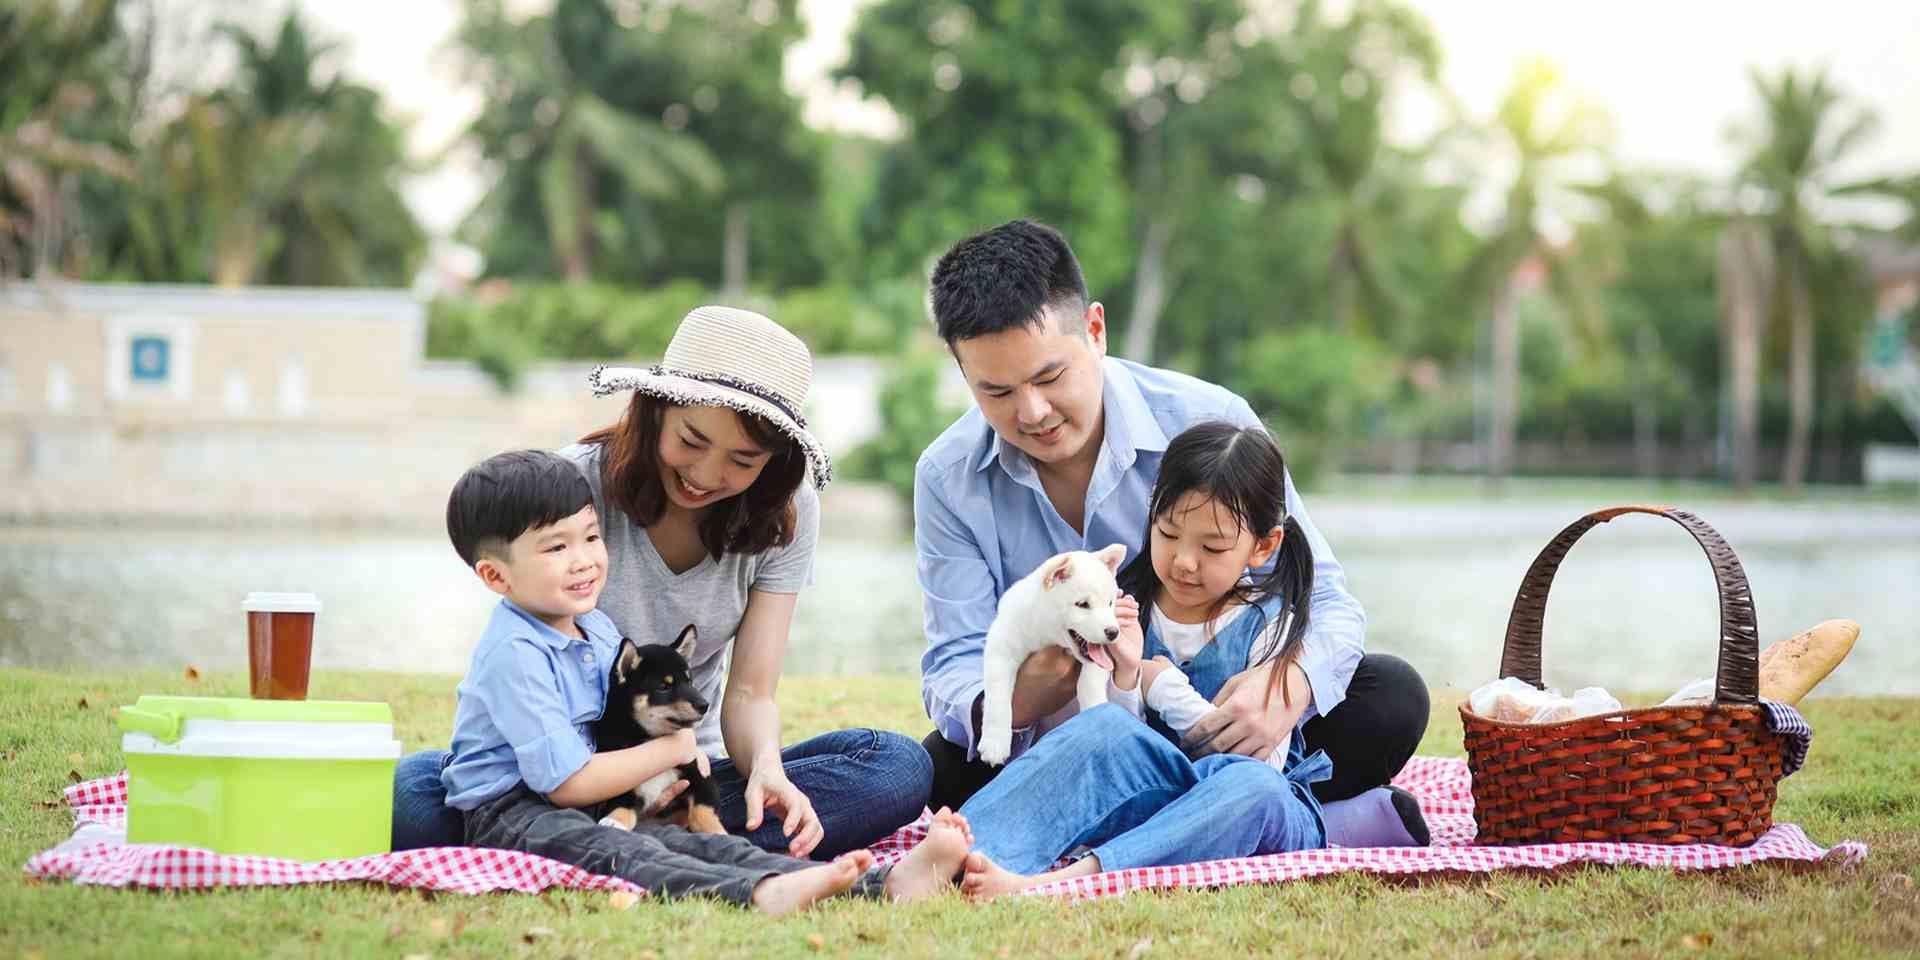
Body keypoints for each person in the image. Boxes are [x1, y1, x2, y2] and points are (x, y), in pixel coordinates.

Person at [914, 220, 1430, 836]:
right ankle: (1300, 822)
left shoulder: (1210, 420)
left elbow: (1323, 598)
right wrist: (1026, 694)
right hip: (1073, 728)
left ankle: (1193, 814)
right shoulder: (948, 477)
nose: (1033, 413)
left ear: (1096, 331)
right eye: (995, 392)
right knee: (945, 767)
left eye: (1050, 378)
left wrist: (1284, 686)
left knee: (1390, 698)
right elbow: (954, 659)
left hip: (1220, 718)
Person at [392, 306, 933, 860]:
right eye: (692, 441)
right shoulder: (570, 491)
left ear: (773, 463)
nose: (705, 476)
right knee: (416, 794)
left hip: (684, 775)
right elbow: (528, 663)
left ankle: (641, 841)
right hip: (562, 775)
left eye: (742, 460)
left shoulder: (786, 513)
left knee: (896, 766)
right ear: (655, 412)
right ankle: (654, 845)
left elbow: (750, 691)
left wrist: (766, 770)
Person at [431, 448, 970, 911]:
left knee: (698, 840)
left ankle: (884, 883)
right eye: (557, 547)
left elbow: (627, 726)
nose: (586, 561)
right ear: (496, 576)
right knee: (630, 851)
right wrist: (675, 748)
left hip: (603, 792)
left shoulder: (593, 628)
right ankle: (759, 893)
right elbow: (566, 783)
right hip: (511, 810)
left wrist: (682, 774)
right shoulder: (515, 653)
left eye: (592, 537)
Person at [957, 422, 1427, 898]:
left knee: (1252, 789)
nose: (1184, 561)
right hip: (1157, 799)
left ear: (1262, 546)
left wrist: (1160, 686)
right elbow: (1113, 743)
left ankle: (1058, 884)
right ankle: (958, 852)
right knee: (1095, 731)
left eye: (1212, 547)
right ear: (1151, 512)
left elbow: (1256, 759)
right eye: (1168, 533)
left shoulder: (1269, 625)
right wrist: (1124, 675)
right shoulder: (1123, 608)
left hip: (1243, 803)